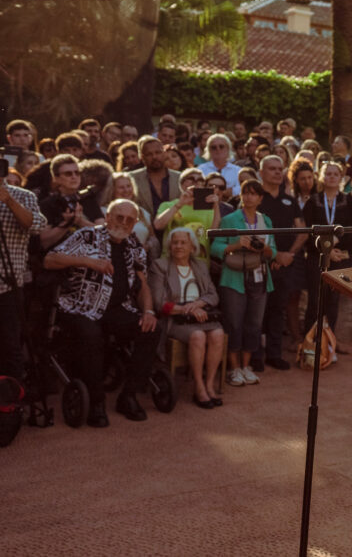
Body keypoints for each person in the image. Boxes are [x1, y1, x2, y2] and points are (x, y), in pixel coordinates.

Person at [44, 199, 158, 426]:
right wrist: (88, 261)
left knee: (151, 330)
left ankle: (129, 396)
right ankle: (96, 401)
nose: (123, 223)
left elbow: (143, 284)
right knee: (91, 336)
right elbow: (49, 260)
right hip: (81, 307)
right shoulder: (86, 236)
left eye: (129, 219)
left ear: (135, 223)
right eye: (119, 217)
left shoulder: (134, 245)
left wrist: (148, 311)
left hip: (117, 308)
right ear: (107, 217)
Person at [211, 180, 277, 387]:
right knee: (234, 323)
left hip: (259, 277)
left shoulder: (265, 220)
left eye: (253, 194)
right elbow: (214, 247)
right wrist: (237, 245)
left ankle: (246, 366)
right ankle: (233, 368)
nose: (248, 197)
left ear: (260, 199)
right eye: (245, 193)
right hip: (234, 278)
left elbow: (272, 251)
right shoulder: (230, 219)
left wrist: (262, 249)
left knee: (254, 324)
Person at [150, 228, 226, 408]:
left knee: (218, 334)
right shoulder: (160, 266)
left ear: (192, 247)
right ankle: (199, 388)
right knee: (198, 335)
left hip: (199, 315)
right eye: (175, 242)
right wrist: (186, 310)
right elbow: (159, 302)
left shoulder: (199, 265)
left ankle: (209, 385)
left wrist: (198, 304)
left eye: (183, 243)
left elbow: (213, 295)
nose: (178, 246)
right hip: (175, 318)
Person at [255, 155, 307, 372]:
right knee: (258, 312)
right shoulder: (255, 198)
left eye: (280, 169)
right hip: (260, 264)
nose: (277, 172)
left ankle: (274, 354)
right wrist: (274, 256)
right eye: (272, 169)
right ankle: (255, 356)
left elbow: (302, 231)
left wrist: (288, 255)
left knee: (278, 310)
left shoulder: (290, 200)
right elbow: (252, 232)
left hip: (286, 264)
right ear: (261, 173)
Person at [302, 162, 352, 332]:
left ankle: (329, 345)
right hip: (317, 256)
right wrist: (324, 249)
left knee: (333, 301)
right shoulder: (313, 201)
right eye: (328, 173)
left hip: (340, 256)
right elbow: (307, 231)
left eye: (336, 174)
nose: (332, 177)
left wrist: (335, 247)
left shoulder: (349, 200)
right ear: (322, 177)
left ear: (341, 177)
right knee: (315, 300)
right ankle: (310, 345)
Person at [0, 179, 46, 382]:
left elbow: (36, 225)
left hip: (8, 285)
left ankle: (10, 405)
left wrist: (8, 200)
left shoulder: (23, 195)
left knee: (10, 346)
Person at [38, 155, 105, 250]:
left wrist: (81, 221)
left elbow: (103, 233)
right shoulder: (47, 204)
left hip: (89, 253)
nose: (74, 177)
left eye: (77, 173)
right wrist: (66, 224)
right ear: (56, 178)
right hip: (59, 256)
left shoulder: (88, 199)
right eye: (68, 174)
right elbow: (44, 242)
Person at [153, 168, 222, 262]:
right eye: (191, 179)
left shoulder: (208, 208)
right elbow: (158, 225)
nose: (196, 182)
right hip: (172, 260)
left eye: (200, 180)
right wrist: (179, 205)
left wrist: (216, 206)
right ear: (182, 184)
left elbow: (212, 234)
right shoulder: (168, 205)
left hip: (199, 261)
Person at [107, 172, 160, 260]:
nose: (126, 190)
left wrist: (147, 246)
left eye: (128, 186)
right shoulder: (105, 211)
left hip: (140, 261)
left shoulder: (142, 212)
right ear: (113, 190)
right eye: (121, 187)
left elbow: (153, 238)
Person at [129, 137, 181, 218]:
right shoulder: (132, 178)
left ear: (164, 154)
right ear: (142, 158)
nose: (154, 157)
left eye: (158, 152)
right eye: (149, 154)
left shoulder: (180, 178)